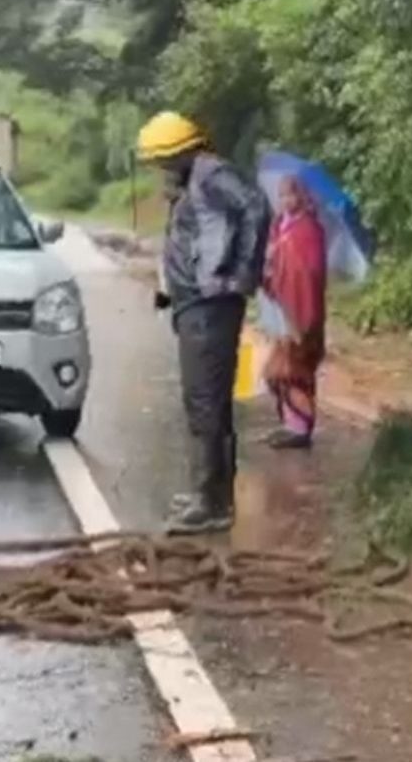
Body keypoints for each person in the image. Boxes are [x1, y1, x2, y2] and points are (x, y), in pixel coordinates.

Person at [140, 113, 270, 535]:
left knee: (205, 402)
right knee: (204, 399)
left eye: (161, 160)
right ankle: (211, 494)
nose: (159, 169)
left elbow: (256, 208)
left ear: (177, 151)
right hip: (194, 305)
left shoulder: (212, 173)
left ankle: (210, 503)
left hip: (209, 306)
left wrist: (240, 276)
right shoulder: (193, 179)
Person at [262, 176, 327, 450]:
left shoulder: (309, 229)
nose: (286, 201)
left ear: (301, 197)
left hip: (302, 310)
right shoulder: (279, 225)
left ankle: (301, 430)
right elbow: (272, 261)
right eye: (281, 195)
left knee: (294, 369)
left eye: (291, 195)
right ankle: (290, 424)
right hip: (281, 308)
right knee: (278, 371)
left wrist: (284, 253)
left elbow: (310, 271)